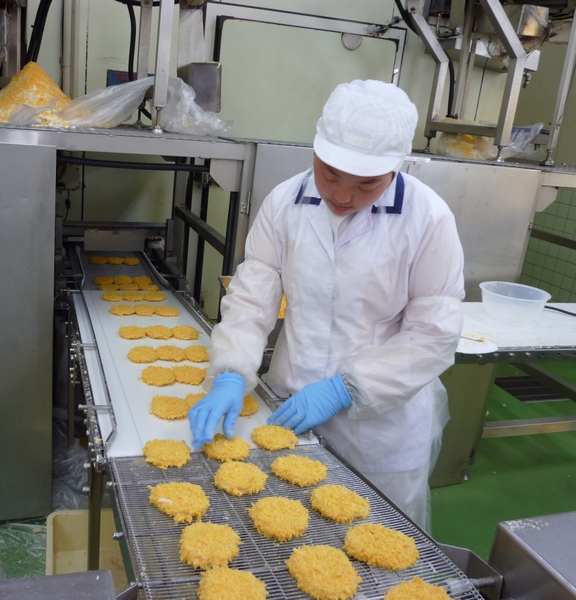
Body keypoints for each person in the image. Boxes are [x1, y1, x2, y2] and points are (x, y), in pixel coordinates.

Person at [187, 79, 465, 531]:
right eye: (329, 173)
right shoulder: (283, 204)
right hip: (289, 405)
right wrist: (233, 371)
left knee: (376, 550)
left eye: (366, 184)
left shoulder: (428, 219)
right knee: (281, 535)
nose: (340, 194)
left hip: (380, 425)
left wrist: (346, 388)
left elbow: (432, 336)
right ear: (315, 151)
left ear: (395, 170)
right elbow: (252, 298)